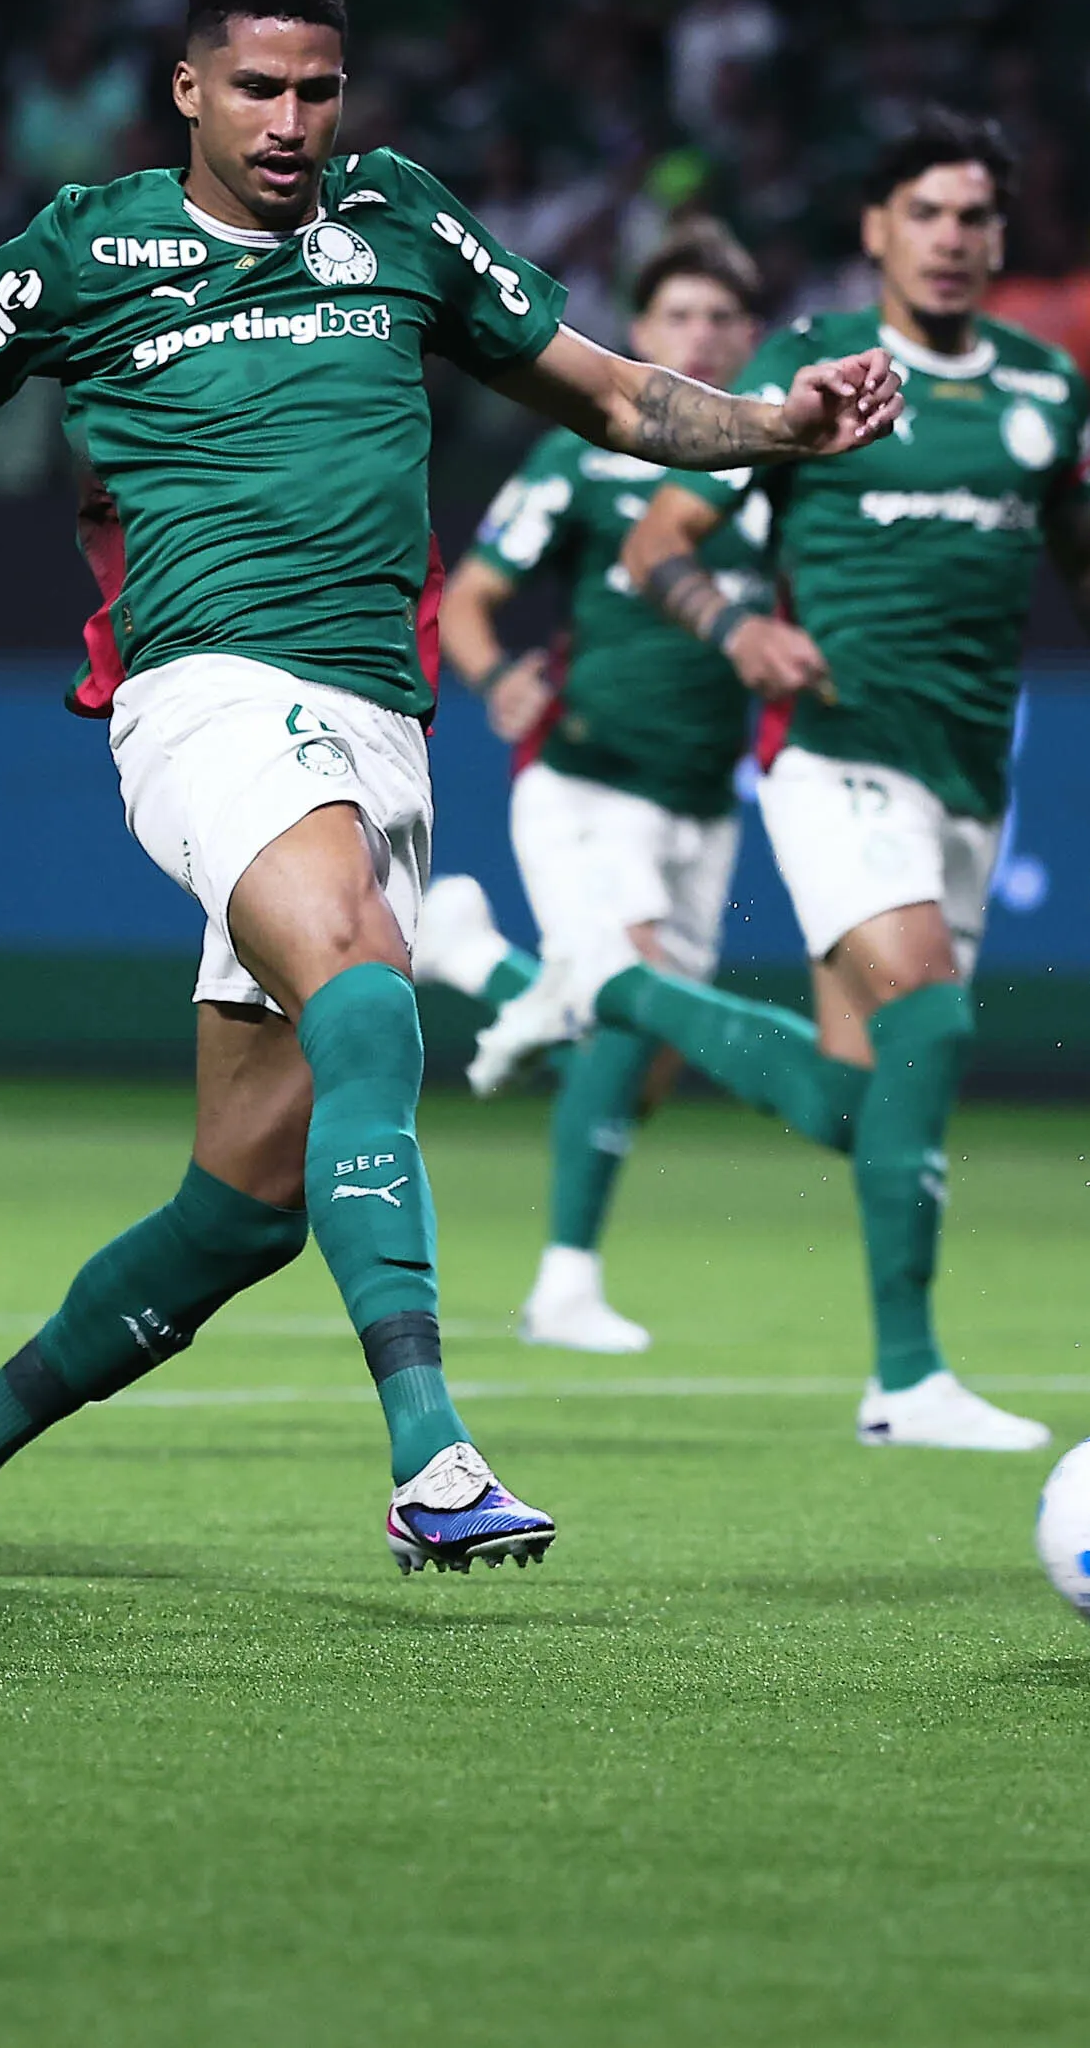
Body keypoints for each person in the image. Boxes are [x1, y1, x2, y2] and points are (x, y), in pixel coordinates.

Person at [0, 0, 901, 1575]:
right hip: (207, 700)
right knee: (376, 992)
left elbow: (609, 390)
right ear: (189, 86)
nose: (292, 120)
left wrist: (780, 426)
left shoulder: (398, 221)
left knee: (243, 1206)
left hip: (376, 730)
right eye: (258, 86)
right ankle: (433, 1455)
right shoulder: (89, 248)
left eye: (319, 89)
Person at [478, 112, 1090, 1453]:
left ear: (1001, 237)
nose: (952, 239)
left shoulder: (1045, 390)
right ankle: (907, 1377)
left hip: (963, 781)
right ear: (877, 229)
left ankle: (611, 983)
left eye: (976, 217)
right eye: (926, 213)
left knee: (854, 1101)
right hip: (831, 755)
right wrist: (738, 629)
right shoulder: (814, 367)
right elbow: (658, 539)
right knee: (931, 1023)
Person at [418, 216, 775, 1354]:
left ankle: (478, 961)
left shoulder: (780, 461)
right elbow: (468, 598)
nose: (702, 337)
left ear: (753, 335)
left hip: (702, 803)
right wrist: (496, 679)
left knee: (647, 1063)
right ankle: (562, 1284)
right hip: (586, 781)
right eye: (679, 316)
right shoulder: (583, 455)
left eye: (722, 319)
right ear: (641, 330)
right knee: (635, 1004)